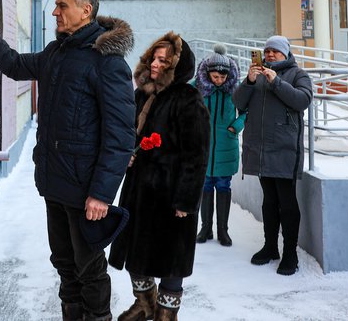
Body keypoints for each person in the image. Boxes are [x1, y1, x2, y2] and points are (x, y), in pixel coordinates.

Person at [0, 0, 135, 321]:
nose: (55, 12)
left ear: (86, 10)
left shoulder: (107, 62)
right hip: (55, 183)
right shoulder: (56, 53)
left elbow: (121, 135)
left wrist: (101, 194)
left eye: (62, 6)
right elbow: (14, 64)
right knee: (64, 264)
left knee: (89, 269)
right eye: (56, 6)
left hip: (86, 191)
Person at [108, 32, 209, 321]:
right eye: (154, 57)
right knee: (135, 252)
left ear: (176, 66)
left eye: (163, 61)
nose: (154, 64)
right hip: (139, 191)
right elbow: (128, 132)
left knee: (170, 258)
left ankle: (166, 313)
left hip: (171, 194)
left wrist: (185, 200)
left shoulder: (188, 99)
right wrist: (127, 153)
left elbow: (197, 154)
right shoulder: (142, 94)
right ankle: (145, 304)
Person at [232, 36, 313, 276]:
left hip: (285, 147)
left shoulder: (297, 74)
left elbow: (302, 100)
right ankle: (270, 247)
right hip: (260, 147)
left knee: (286, 202)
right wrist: (249, 81)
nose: (269, 55)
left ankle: (290, 252)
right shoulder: (256, 75)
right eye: (266, 51)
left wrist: (276, 82)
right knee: (269, 201)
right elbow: (238, 102)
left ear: (285, 53)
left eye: (274, 51)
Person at [190, 44, 246, 247]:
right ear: (207, 73)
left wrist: (235, 127)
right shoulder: (197, 86)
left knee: (223, 186)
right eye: (215, 77)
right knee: (205, 185)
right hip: (202, 146)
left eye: (223, 77)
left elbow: (247, 111)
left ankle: (223, 230)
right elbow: (183, 104)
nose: (219, 80)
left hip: (226, 145)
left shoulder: (235, 89)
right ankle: (205, 228)